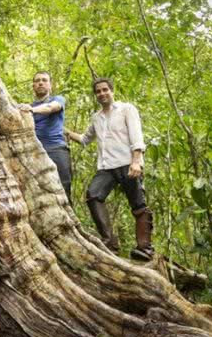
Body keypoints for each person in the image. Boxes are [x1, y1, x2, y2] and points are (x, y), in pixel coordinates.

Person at [65, 77, 154, 260]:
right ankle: (109, 243)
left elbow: (136, 136)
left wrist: (136, 161)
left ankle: (145, 248)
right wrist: (64, 132)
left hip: (127, 163)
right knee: (93, 195)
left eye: (105, 90)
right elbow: (84, 139)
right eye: (98, 91)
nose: (102, 93)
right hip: (106, 167)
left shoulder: (126, 109)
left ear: (112, 91)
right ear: (96, 95)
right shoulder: (96, 118)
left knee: (138, 204)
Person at [18, 71, 73, 204]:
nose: (40, 83)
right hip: (34, 152)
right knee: (39, 192)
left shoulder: (57, 99)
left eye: (44, 80)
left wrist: (31, 110)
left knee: (63, 188)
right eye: (37, 81)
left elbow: (51, 108)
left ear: (50, 85)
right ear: (33, 86)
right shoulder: (28, 107)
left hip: (56, 150)